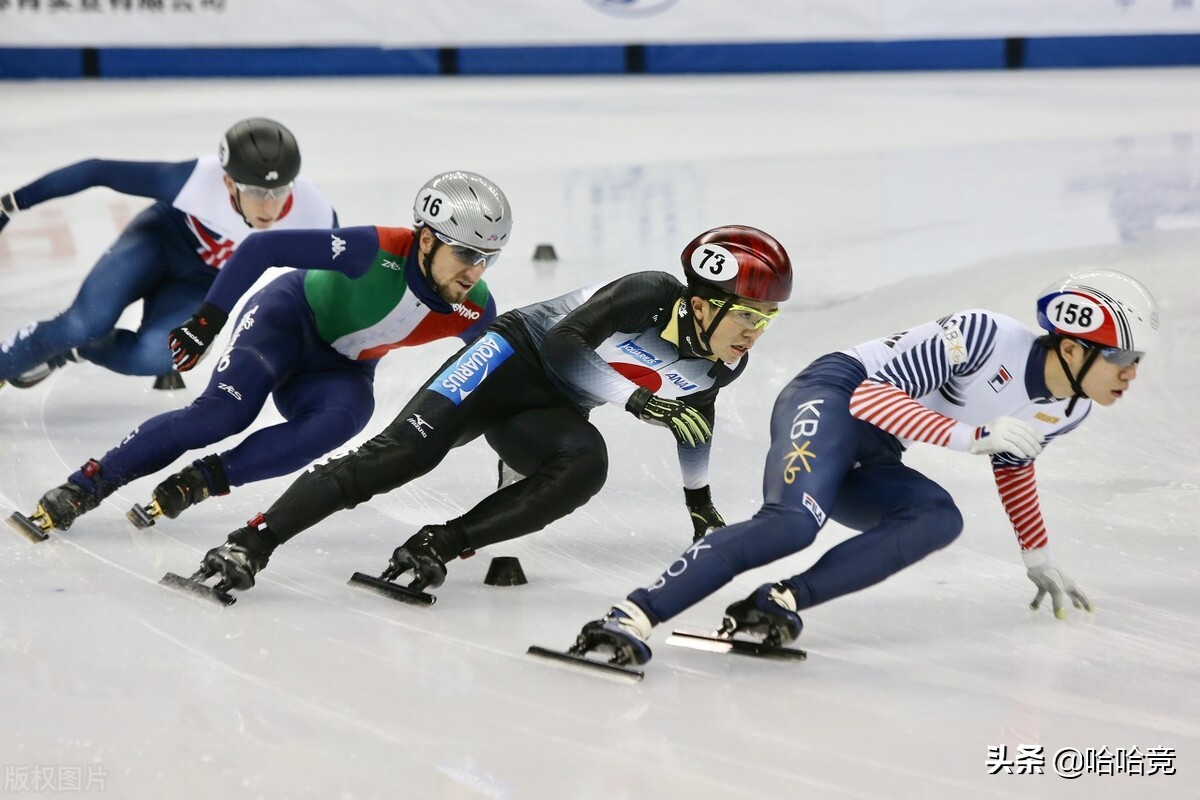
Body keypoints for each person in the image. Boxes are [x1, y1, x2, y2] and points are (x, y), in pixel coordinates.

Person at [574, 269, 1159, 667]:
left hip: (876, 447)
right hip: (831, 394)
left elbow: (1013, 461)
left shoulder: (1067, 407)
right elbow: (870, 400)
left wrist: (1037, 557)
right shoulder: (983, 336)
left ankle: (778, 601)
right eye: (1124, 360)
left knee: (936, 517)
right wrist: (972, 435)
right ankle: (633, 614)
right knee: (791, 525)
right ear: (1076, 349)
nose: (1131, 375)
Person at [180, 225, 794, 598]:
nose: (753, 333)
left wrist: (698, 501)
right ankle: (252, 542)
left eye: (766, 320)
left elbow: (694, 420)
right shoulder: (651, 292)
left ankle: (439, 545)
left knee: (584, 464)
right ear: (705, 303)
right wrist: (636, 399)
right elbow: (562, 342)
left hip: (550, 408)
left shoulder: (721, 364)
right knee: (405, 455)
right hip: (510, 354)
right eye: (747, 315)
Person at [12, 171, 508, 537]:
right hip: (285, 320)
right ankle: (87, 484)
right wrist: (207, 321)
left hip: (340, 368)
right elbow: (261, 250)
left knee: (348, 418)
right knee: (221, 415)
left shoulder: (474, 310)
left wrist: (514, 452)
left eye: (487, 258)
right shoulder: (373, 250)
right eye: (466, 254)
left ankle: (203, 479)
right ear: (425, 239)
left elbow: (495, 378)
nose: (475, 272)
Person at [0, 117, 335, 391]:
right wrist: (10, 204)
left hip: (201, 283)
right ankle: (41, 348)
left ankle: (70, 351)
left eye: (280, 190)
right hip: (157, 244)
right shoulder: (197, 180)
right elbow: (97, 170)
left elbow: (335, 278)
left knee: (153, 357)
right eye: (256, 192)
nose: (270, 205)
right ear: (230, 183)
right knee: (83, 324)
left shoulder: (314, 212)